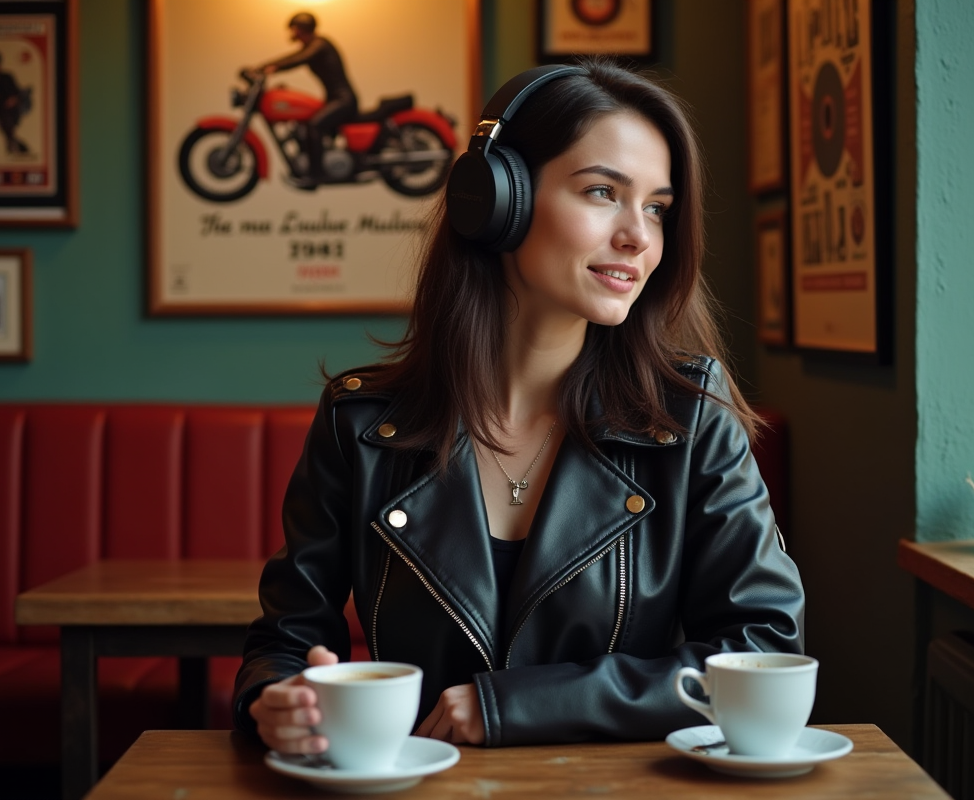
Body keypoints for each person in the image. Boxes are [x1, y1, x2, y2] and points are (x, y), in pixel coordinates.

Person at [235, 59, 804, 752]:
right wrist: (277, 700)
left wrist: (517, 707)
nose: (640, 237)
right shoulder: (359, 423)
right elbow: (286, 639)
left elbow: (762, 648)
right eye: (603, 192)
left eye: (657, 206)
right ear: (497, 199)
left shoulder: (691, 417)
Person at [259, 12, 357, 188]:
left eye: (294, 29)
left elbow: (298, 58)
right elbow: (295, 56)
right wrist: (264, 67)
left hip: (343, 101)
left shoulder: (319, 44)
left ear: (301, 28)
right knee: (308, 123)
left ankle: (316, 174)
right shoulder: (313, 45)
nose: (292, 33)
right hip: (335, 100)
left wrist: (270, 68)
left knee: (314, 125)